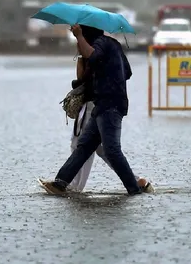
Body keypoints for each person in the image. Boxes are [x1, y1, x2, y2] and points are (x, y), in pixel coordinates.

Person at [41, 24, 143, 196]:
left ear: (87, 33)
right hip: (102, 104)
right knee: (84, 146)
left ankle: (134, 188)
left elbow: (93, 56)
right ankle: (60, 183)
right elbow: (124, 72)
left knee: (111, 150)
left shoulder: (102, 43)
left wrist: (79, 37)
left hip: (110, 105)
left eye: (82, 33)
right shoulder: (111, 46)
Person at [68, 48, 153, 193]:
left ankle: (74, 186)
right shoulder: (101, 50)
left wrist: (82, 56)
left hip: (95, 104)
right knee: (101, 148)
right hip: (99, 104)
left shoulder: (96, 51)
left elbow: (82, 80)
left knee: (82, 144)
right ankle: (136, 180)